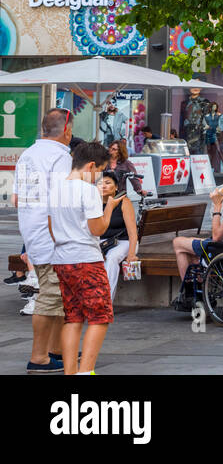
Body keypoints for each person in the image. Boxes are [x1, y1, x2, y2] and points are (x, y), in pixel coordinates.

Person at [49, 141, 120, 375]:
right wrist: (108, 209)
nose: (98, 179)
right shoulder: (87, 191)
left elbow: (51, 227)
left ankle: (70, 371)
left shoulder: (56, 188)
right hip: (87, 259)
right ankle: (86, 370)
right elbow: (97, 229)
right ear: (90, 166)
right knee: (100, 316)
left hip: (62, 259)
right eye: (99, 172)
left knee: (73, 316)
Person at [14, 107, 75, 374]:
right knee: (50, 297)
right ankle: (39, 357)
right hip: (53, 236)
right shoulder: (60, 157)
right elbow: (64, 200)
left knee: (59, 295)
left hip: (33, 232)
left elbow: (17, 198)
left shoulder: (27, 154)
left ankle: (56, 350)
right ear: (66, 130)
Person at [97, 170, 139, 300]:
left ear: (116, 187)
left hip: (123, 241)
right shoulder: (93, 202)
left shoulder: (123, 202)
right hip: (101, 242)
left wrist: (131, 254)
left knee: (112, 258)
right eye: (100, 183)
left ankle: (105, 301)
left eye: (107, 183)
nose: (103, 186)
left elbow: (133, 233)